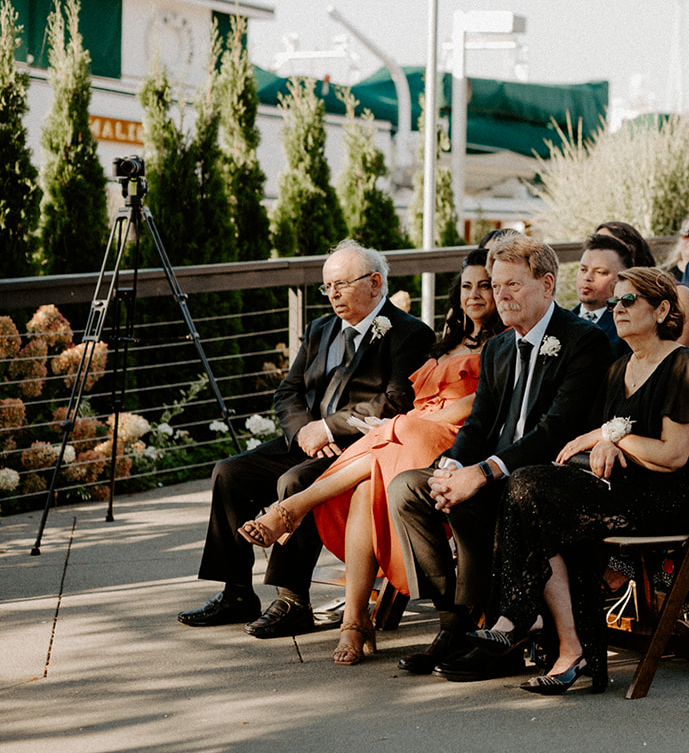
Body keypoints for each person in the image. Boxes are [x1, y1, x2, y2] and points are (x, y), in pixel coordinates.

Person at [441, 267, 689, 693]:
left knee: (531, 490)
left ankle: (522, 618)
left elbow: (672, 455)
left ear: (662, 309)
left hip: (667, 500)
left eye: (629, 301)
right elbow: (611, 440)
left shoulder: (683, 365)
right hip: (621, 489)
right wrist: (607, 444)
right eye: (614, 302)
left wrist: (610, 437)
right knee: (530, 493)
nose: (618, 310)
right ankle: (567, 649)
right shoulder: (620, 368)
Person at [235, 250, 502, 664]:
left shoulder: (503, 344)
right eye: (467, 285)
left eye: (486, 285)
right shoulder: (448, 340)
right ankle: (355, 620)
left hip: (455, 437)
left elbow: (477, 405)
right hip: (410, 434)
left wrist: (401, 424)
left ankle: (291, 510)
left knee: (402, 429)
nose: (475, 294)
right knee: (364, 489)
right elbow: (289, 392)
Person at [178, 241, 434, 637]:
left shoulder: (410, 334)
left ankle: (293, 600)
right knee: (229, 472)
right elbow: (288, 392)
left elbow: (397, 401)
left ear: (375, 282)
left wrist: (329, 428)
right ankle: (237, 593)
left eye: (342, 284)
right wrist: (305, 432)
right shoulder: (320, 329)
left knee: (295, 481)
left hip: (358, 448)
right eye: (327, 286)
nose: (332, 294)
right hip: (306, 440)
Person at [386, 235, 610, 677]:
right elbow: (478, 424)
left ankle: (500, 637)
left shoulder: (584, 341)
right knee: (408, 489)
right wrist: (451, 468)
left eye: (512, 285)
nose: (499, 295)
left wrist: (484, 472)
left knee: (473, 498)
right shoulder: (498, 347)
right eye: (494, 284)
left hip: (546, 476)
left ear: (547, 285)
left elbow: (557, 430)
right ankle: (455, 622)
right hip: (497, 469)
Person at [595, 220, 689, 350]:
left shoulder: (678, 294)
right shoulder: (606, 300)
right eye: (595, 246)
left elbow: (680, 358)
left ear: (632, 252)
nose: (598, 253)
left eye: (608, 246)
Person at [573, 233, 632, 358]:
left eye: (600, 272)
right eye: (583, 270)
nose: (587, 278)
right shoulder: (562, 320)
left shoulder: (627, 327)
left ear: (622, 278)